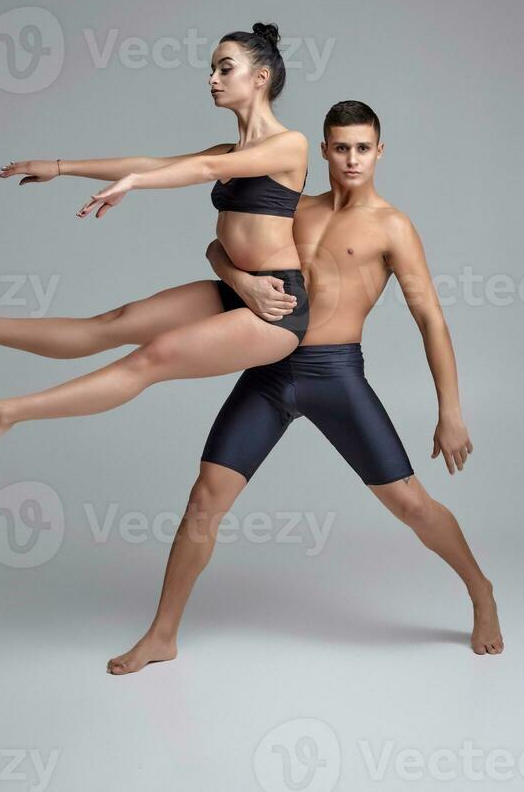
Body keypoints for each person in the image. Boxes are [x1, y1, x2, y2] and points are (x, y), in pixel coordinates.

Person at [103, 100, 503, 674]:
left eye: (363, 148)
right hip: (269, 368)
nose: (352, 159)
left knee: (410, 504)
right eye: (341, 147)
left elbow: (430, 318)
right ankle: (162, 634)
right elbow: (221, 249)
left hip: (334, 374)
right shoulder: (298, 210)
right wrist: (241, 279)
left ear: (379, 151)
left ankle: (480, 590)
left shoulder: (391, 225)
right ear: (324, 151)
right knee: (204, 499)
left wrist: (451, 411)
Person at [0, 23, 311, 438]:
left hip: (278, 308)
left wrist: (133, 184)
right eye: (211, 69)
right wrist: (62, 168)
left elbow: (204, 170)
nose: (212, 79)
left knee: (152, 356)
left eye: (225, 69)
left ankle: (4, 414)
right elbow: (153, 163)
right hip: (235, 288)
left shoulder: (290, 144)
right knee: (113, 323)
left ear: (260, 78)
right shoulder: (229, 151)